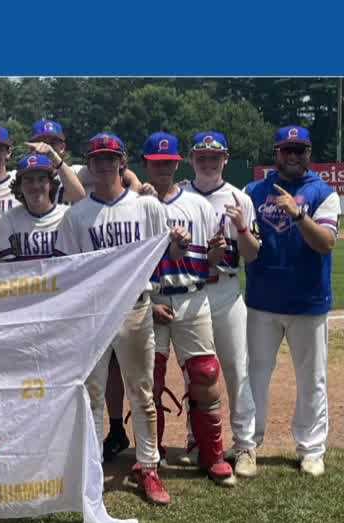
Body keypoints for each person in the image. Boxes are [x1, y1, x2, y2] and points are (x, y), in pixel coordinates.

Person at [54, 132, 186, 506]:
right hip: (94, 312)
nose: (104, 164)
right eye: (97, 158)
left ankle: (149, 467)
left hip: (134, 307)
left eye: (111, 158)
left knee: (142, 392)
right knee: (92, 393)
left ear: (122, 162)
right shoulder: (76, 215)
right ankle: (92, 468)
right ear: (89, 164)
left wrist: (178, 241)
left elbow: (168, 255)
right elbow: (67, 271)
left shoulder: (147, 207)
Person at [142, 132, 235, 486]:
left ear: (177, 163)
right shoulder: (137, 205)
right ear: (146, 164)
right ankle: (151, 454)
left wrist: (214, 252)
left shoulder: (198, 205)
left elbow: (213, 262)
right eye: (156, 163)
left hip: (192, 295)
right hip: (150, 298)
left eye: (168, 163)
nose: (163, 168)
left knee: (205, 374)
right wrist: (149, 303)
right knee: (149, 380)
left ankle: (211, 454)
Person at [245, 125, 339, 477]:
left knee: (312, 377)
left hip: (308, 301)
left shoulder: (323, 193)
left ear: (309, 153)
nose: (294, 156)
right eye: (288, 150)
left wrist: (298, 214)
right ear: (277, 153)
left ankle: (311, 449)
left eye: (300, 150)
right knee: (255, 374)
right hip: (262, 300)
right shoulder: (254, 191)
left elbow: (326, 243)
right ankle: (249, 445)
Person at [179, 131, 259, 478]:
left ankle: (244, 446)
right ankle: (197, 440)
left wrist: (242, 229)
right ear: (191, 158)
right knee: (195, 374)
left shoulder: (240, 198)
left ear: (225, 159)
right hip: (192, 291)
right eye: (201, 156)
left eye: (214, 156)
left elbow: (252, 255)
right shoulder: (179, 196)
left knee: (236, 371)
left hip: (226, 291)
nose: (208, 162)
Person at [0, 152, 85, 263]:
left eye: (41, 179)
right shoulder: (8, 220)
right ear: (19, 186)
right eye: (29, 180)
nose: (35, 186)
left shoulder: (67, 216)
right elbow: (5, 270)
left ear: (51, 184)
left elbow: (77, 264)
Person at [28, 119, 142, 203]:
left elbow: (120, 173)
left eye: (52, 143)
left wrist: (134, 189)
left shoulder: (77, 172)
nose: (45, 148)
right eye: (40, 143)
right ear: (31, 148)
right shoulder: (23, 178)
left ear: (62, 147)